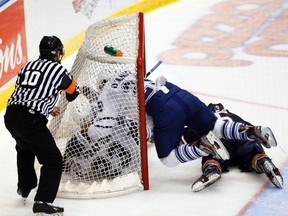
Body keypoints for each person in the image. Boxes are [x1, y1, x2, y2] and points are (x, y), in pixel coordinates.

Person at [4, 36, 80, 215]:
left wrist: (46, 107)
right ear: (58, 53)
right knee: (52, 160)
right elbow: (72, 94)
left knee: (24, 148)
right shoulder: (59, 71)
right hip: (30, 120)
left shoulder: (28, 66)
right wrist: (76, 88)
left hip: (11, 116)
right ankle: (42, 202)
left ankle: (25, 187)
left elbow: (26, 91)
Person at [144, 75, 277, 169]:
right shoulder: (132, 74)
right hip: (180, 94)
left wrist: (150, 135)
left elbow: (145, 129)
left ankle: (201, 146)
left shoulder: (124, 102)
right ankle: (249, 131)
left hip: (165, 109)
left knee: (168, 159)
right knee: (216, 126)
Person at [184, 103, 283, 192]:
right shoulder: (233, 116)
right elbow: (251, 129)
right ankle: (261, 160)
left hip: (221, 143)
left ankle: (212, 168)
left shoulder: (207, 118)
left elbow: (191, 134)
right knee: (252, 152)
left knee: (209, 151)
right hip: (241, 137)